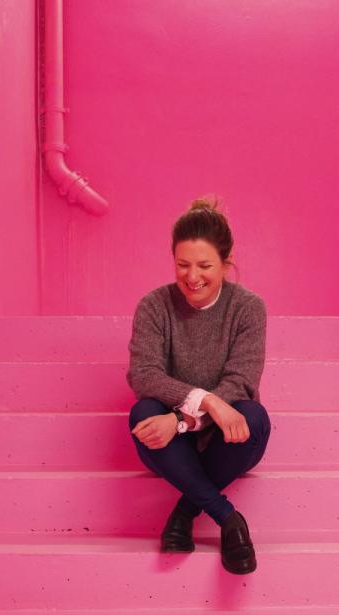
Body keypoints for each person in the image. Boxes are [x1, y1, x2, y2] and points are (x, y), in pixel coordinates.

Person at [126, 197, 270, 574]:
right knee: (143, 413)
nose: (192, 277)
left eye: (204, 266)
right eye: (182, 265)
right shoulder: (154, 306)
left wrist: (182, 420)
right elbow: (144, 374)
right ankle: (227, 518)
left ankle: (185, 510)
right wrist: (204, 400)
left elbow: (241, 380)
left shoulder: (248, 308)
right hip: (170, 447)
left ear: (226, 263)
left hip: (226, 441)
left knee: (253, 417)